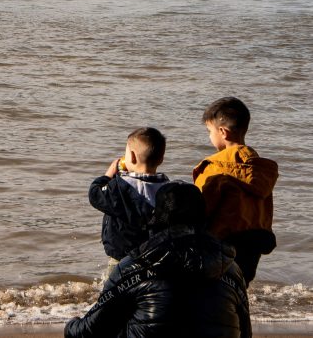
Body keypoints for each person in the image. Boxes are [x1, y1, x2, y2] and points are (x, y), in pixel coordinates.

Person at [65, 181, 252, 338]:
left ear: (158, 218)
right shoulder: (230, 268)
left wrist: (70, 325)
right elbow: (245, 332)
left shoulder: (134, 265)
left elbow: (89, 332)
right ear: (203, 218)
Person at [193, 96, 278, 285]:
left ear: (223, 132)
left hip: (222, 243)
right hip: (254, 243)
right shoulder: (260, 168)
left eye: (209, 131)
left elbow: (201, 209)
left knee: (216, 291)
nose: (209, 136)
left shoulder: (216, 167)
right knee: (239, 286)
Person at [88, 127, 169, 269]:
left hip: (122, 258)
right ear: (161, 159)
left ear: (131, 157)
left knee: (114, 287)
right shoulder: (168, 188)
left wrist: (108, 175)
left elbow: (95, 195)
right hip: (154, 256)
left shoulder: (119, 187)